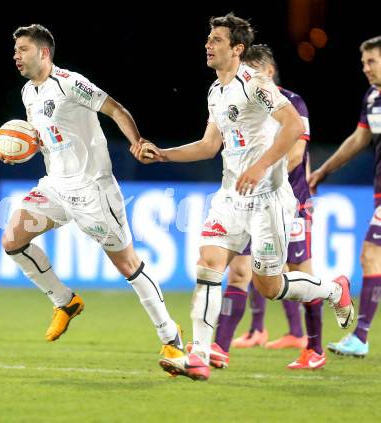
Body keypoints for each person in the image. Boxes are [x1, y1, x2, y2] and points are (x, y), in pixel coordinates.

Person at [133, 12, 353, 381]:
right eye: (208, 38)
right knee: (208, 263)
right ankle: (199, 355)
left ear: (237, 48)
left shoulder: (256, 82)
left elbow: (294, 126)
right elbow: (208, 145)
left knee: (271, 286)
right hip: (230, 197)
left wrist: (261, 166)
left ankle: (334, 289)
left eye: (217, 40)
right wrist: (164, 154)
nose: (208, 44)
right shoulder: (215, 91)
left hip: (269, 199)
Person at [0, 24, 183, 366]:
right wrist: (17, 150)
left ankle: (170, 335)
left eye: (22, 49)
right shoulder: (28, 93)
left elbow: (116, 110)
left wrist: (136, 142)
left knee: (127, 265)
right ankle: (65, 301)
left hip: (92, 189)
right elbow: (41, 139)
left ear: (43, 52)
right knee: (11, 239)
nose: (16, 56)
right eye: (15, 50)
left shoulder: (70, 83)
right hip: (55, 186)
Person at [211, 44, 324, 370]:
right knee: (240, 272)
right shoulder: (241, 100)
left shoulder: (293, 103)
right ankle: (220, 347)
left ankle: (313, 348)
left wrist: (260, 174)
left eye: (253, 72)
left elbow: (294, 155)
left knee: (297, 274)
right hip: (247, 201)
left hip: (290, 201)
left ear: (268, 72)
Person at [309, 35, 381, 358]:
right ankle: (360, 338)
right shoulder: (372, 98)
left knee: (370, 254)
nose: (365, 68)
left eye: (371, 61)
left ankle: (361, 337)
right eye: (363, 62)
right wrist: (323, 171)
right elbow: (359, 139)